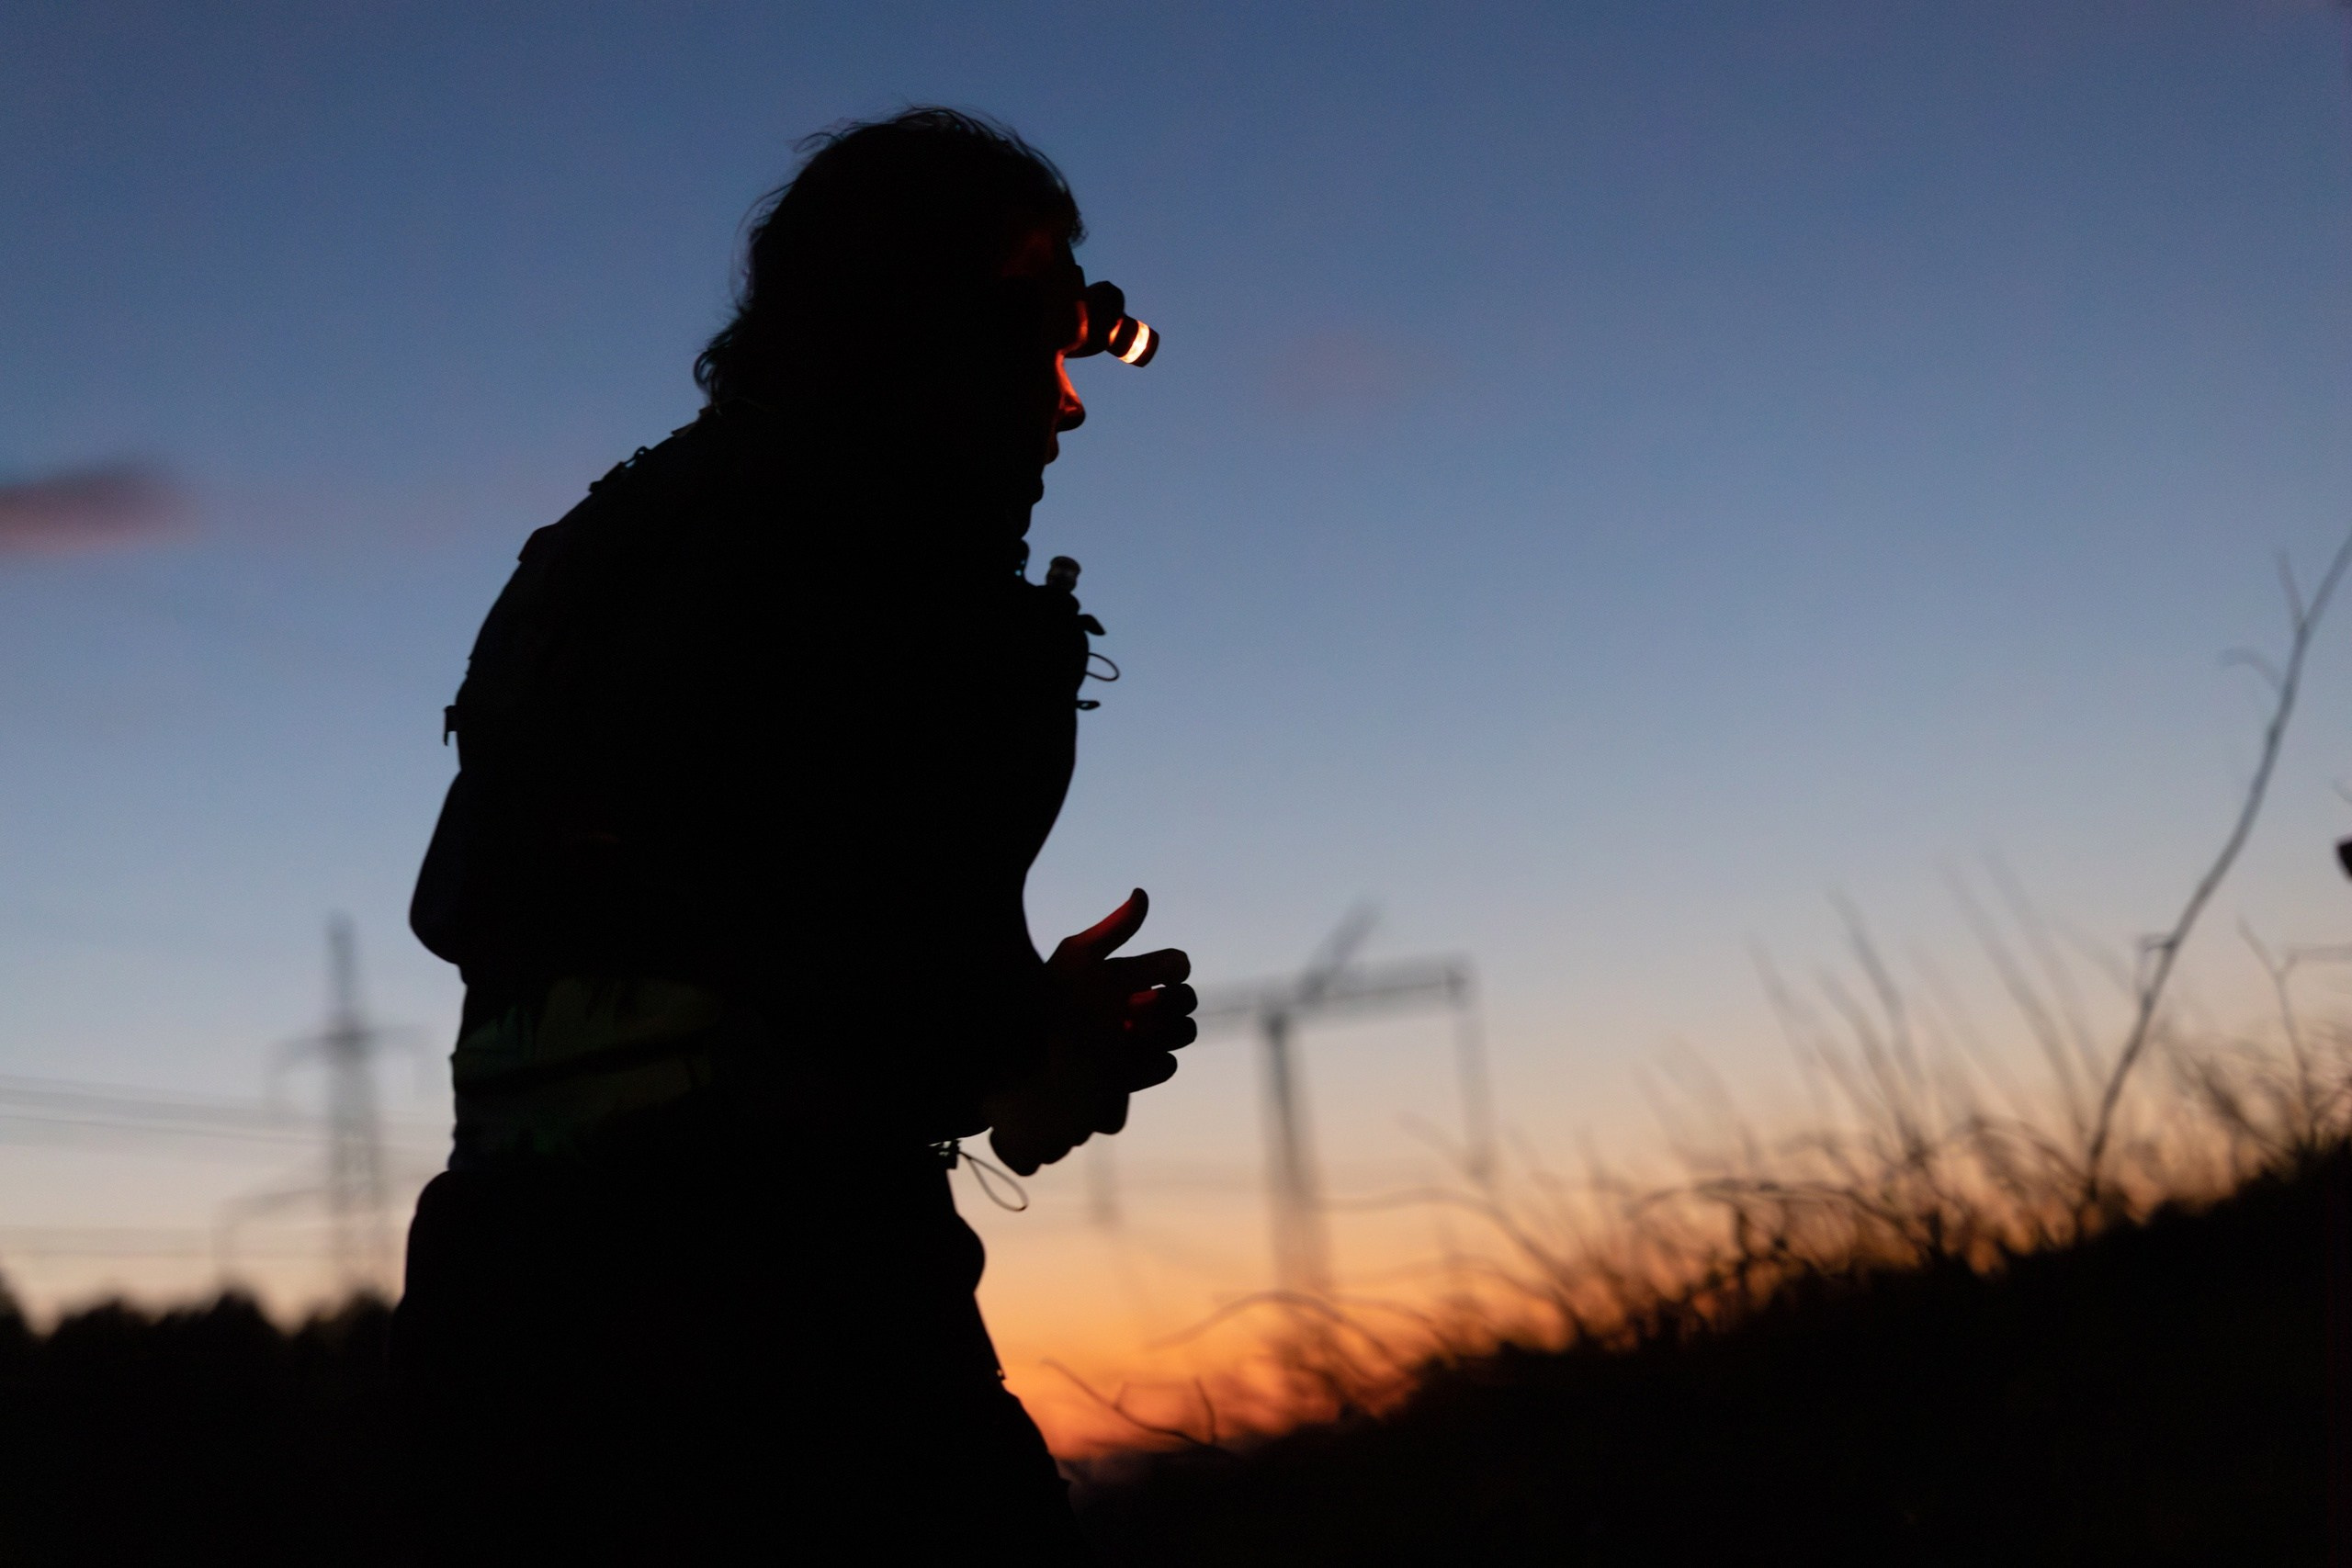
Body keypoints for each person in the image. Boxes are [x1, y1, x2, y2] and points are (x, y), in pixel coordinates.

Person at [390, 108, 1195, 1564]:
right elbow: (913, 1015)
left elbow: (538, 914)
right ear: (940, 337)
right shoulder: (890, 573)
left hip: (487, 1345)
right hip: (795, 1357)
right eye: (1046, 346)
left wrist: (1005, 1030)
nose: (1065, 410)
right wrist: (1045, 1042)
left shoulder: (608, 549)